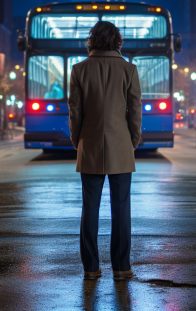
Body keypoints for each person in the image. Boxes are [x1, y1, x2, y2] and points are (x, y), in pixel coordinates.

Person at [68, 20, 142, 281]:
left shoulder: (79, 70)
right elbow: (135, 111)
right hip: (121, 146)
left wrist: (78, 141)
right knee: (121, 209)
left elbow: (75, 112)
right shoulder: (129, 70)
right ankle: (121, 268)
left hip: (90, 146)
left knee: (90, 208)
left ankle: (91, 268)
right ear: (117, 41)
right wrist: (133, 141)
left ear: (92, 40)